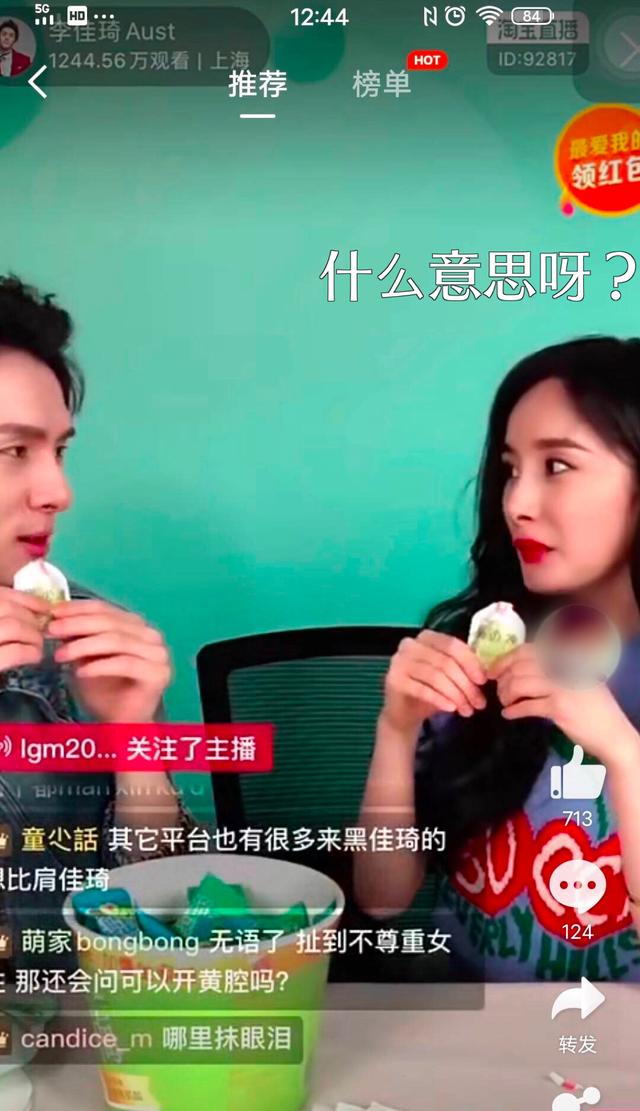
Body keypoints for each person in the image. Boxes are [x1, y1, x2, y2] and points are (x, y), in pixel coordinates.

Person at [355, 337, 640, 982]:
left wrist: (623, 753)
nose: (516, 503)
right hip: (466, 1024)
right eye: (510, 469)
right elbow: (381, 897)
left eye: (558, 466)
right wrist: (395, 729)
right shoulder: (478, 652)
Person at [0, 275, 192, 969]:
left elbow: (162, 909)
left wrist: (135, 741)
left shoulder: (90, 638)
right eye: (12, 451)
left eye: (59, 451)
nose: (59, 491)